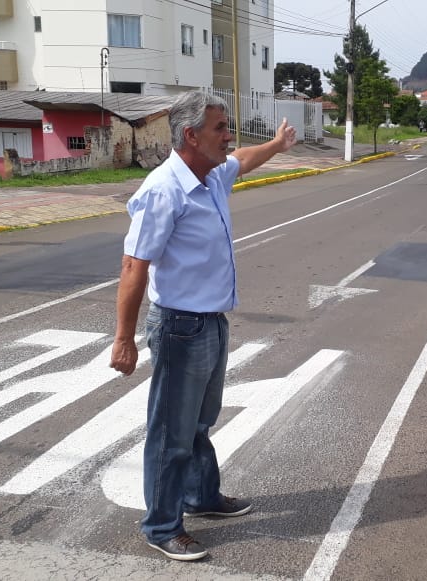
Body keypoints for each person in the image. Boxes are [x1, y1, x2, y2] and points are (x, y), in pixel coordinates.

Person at [109, 91, 297, 562]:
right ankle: (161, 525)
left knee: (198, 422)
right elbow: (134, 265)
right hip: (179, 327)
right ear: (191, 135)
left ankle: (201, 496)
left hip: (211, 322)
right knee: (171, 433)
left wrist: (276, 146)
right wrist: (124, 339)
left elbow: (243, 159)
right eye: (220, 128)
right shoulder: (163, 190)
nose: (228, 136)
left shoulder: (210, 175)